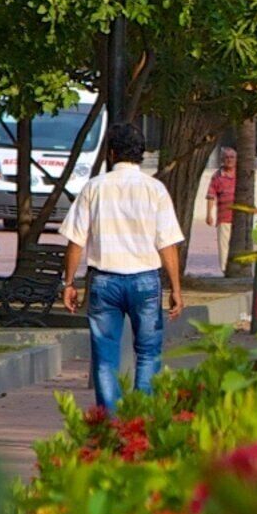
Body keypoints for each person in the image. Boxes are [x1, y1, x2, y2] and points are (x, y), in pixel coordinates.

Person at [59, 120, 190, 412]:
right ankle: (139, 421)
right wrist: (176, 288)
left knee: (105, 358)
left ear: (111, 153)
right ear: (141, 154)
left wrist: (69, 283)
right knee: (148, 354)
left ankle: (111, 422)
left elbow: (75, 241)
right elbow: (167, 243)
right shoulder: (155, 189)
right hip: (146, 281)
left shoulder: (94, 188)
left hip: (104, 281)